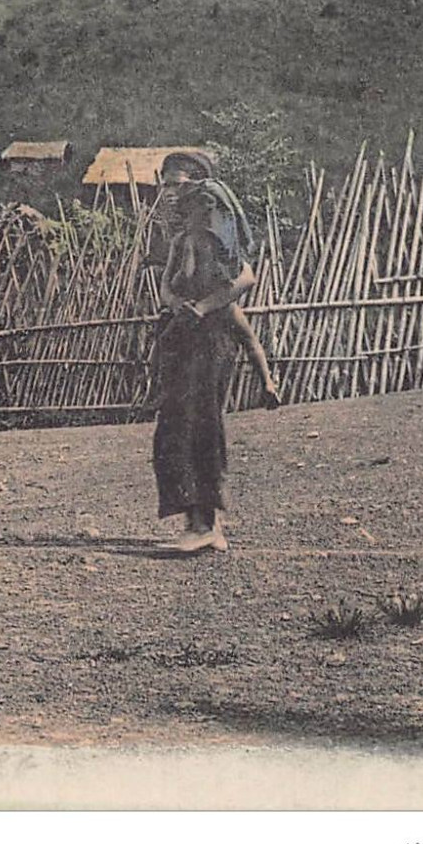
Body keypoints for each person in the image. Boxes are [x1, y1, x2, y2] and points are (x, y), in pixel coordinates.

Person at [153, 155, 282, 554]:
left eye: (180, 185)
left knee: (202, 425)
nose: (172, 193)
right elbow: (165, 287)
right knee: (174, 429)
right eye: (166, 185)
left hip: (209, 338)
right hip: (181, 335)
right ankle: (198, 521)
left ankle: (205, 523)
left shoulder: (218, 242)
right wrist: (176, 305)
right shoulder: (180, 241)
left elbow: (246, 279)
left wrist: (204, 308)